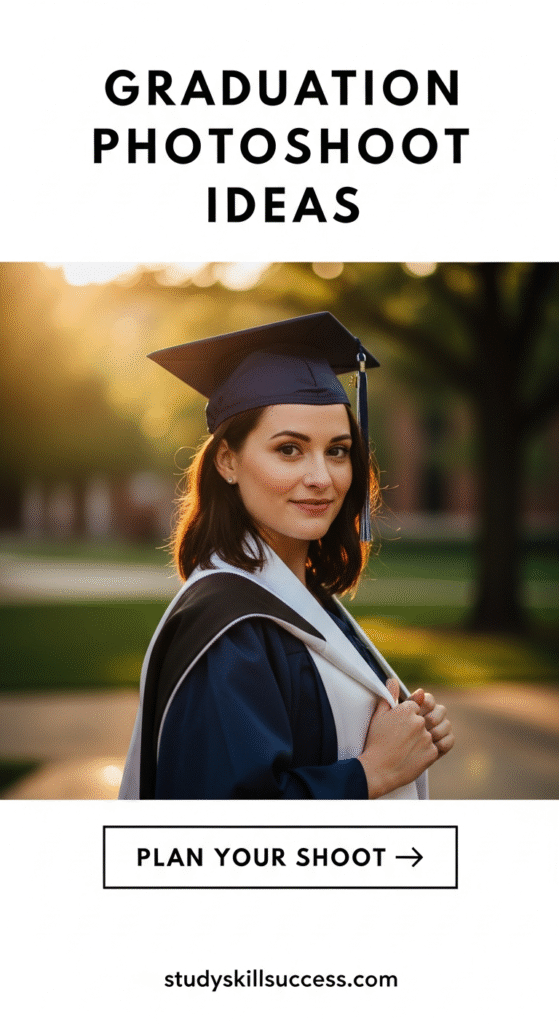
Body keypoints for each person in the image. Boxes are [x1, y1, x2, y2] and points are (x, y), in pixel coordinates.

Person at [119, 311, 453, 800]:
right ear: (227, 461)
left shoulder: (298, 599)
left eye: (337, 451)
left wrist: (408, 735)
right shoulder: (230, 631)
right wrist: (373, 771)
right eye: (290, 450)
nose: (322, 476)